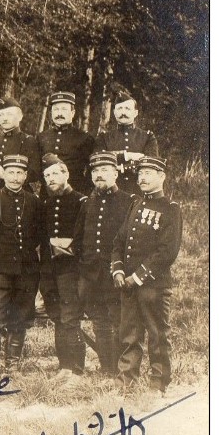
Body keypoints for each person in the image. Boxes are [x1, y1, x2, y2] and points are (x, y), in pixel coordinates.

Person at [111, 157, 182, 395]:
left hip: (154, 286)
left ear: (162, 177)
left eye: (149, 173)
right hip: (128, 285)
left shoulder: (170, 209)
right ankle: (126, 383)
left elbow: (167, 252)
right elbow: (120, 241)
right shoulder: (136, 205)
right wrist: (118, 270)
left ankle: (158, 384)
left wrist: (138, 276)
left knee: (157, 334)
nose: (142, 178)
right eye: (140, 173)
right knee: (129, 334)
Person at [0, 154, 44, 375]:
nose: (14, 177)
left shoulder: (34, 202)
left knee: (21, 314)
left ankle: (12, 365)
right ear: (3, 174)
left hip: (26, 268)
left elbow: (40, 234)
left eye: (19, 173)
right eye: (10, 172)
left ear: (25, 176)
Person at [72, 152, 134, 376]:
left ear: (116, 173)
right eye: (96, 171)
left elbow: (131, 241)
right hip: (91, 274)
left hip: (115, 273)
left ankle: (121, 368)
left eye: (105, 170)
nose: (99, 175)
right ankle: (107, 367)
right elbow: (79, 239)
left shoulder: (128, 201)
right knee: (99, 321)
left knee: (118, 321)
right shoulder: (88, 203)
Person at [39, 154, 87, 379]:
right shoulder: (46, 204)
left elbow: (86, 237)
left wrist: (70, 245)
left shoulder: (81, 202)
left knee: (69, 316)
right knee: (56, 315)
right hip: (49, 269)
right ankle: (64, 366)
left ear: (66, 174)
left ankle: (77, 368)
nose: (50, 179)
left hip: (70, 269)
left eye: (55, 174)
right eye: (46, 176)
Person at [94, 91, 160, 193]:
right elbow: (99, 161)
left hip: (139, 191)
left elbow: (150, 164)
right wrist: (127, 156)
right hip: (111, 193)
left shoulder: (147, 137)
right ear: (114, 112)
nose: (123, 112)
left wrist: (119, 167)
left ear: (135, 113)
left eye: (127, 109)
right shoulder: (104, 137)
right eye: (119, 108)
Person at [38, 91, 95, 194]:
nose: (59, 113)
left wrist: (84, 192)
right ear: (51, 113)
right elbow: (37, 166)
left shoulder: (84, 138)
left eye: (64, 109)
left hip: (74, 194)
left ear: (72, 113)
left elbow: (92, 169)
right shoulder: (42, 137)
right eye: (56, 109)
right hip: (47, 195)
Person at [0, 96, 39, 192]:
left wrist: (6, 176)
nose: (4, 119)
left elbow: (34, 173)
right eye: (1, 115)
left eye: (9, 114)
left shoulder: (28, 141)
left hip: (19, 194)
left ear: (20, 117)